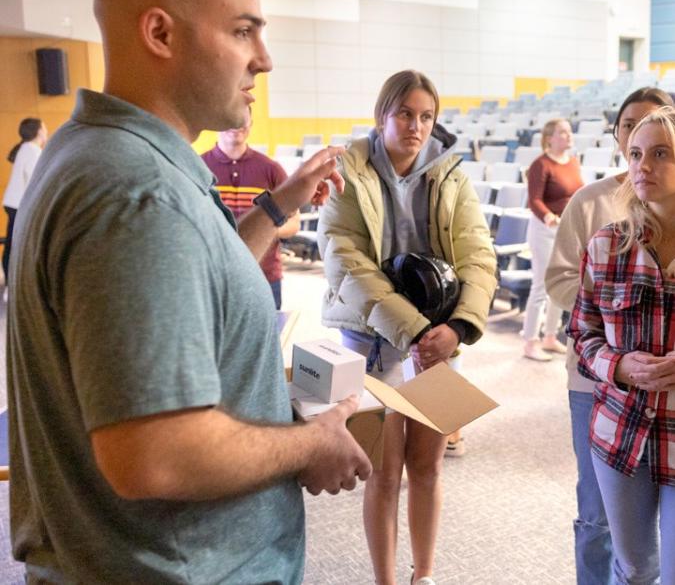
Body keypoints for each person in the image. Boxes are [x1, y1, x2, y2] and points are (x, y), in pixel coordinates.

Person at [6, 0, 372, 584]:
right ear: (159, 33)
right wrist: (309, 443)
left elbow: (192, 275)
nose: (263, 59)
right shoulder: (137, 196)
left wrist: (277, 207)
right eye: (242, 32)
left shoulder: (93, 150)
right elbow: (156, 455)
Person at [317, 70, 497, 585]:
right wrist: (417, 332)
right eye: (404, 114)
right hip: (373, 343)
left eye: (426, 116)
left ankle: (424, 574)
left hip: (441, 344)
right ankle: (387, 581)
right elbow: (347, 262)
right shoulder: (347, 172)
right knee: (383, 473)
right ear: (382, 115)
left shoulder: (452, 175)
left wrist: (458, 329)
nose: (415, 126)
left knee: (428, 466)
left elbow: (478, 257)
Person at [546, 87, 673, 585]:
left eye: (660, 151)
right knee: (627, 554)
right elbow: (584, 325)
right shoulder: (605, 237)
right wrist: (619, 361)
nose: (643, 163)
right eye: (636, 146)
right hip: (616, 409)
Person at [202, 107, 300, 309]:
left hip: (264, 277)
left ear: (250, 125)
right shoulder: (199, 165)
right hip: (212, 277)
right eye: (232, 116)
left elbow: (294, 222)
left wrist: (262, 230)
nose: (237, 125)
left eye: (243, 119)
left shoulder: (271, 169)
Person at [522, 118, 583, 361]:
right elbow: (534, 200)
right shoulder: (541, 164)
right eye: (563, 132)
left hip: (567, 229)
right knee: (541, 285)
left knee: (561, 283)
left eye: (569, 132)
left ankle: (549, 336)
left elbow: (578, 192)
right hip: (544, 229)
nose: (569, 136)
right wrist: (548, 216)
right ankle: (530, 340)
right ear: (550, 138)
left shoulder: (573, 162)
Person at [2, 117, 47, 286]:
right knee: (16, 246)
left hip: (14, 204)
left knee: (12, 244)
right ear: (39, 131)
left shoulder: (26, 148)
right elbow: (35, 181)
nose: (46, 131)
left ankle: (10, 284)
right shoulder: (33, 151)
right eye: (44, 128)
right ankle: (12, 285)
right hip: (20, 206)